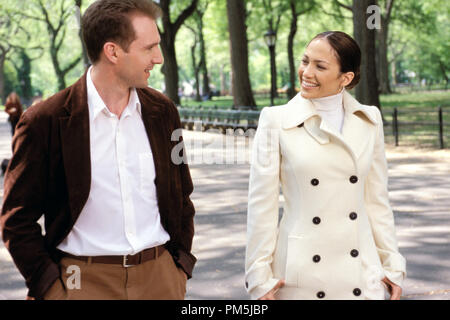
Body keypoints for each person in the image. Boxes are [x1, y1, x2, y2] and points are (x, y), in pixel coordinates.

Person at [1, 0, 196, 300]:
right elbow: (16, 219)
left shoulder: (163, 113)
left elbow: (182, 196)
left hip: (161, 280)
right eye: (148, 48)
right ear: (113, 51)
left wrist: (178, 269)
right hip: (81, 283)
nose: (158, 58)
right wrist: (51, 288)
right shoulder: (44, 122)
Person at [245, 31, 406, 300]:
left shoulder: (370, 120)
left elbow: (377, 202)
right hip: (300, 275)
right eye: (305, 61)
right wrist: (259, 277)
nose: (306, 72)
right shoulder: (276, 120)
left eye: (320, 66)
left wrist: (392, 265)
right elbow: (262, 206)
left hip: (362, 275)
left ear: (346, 78)